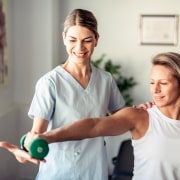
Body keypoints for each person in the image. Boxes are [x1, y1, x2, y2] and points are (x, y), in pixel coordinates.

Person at [1, 52, 179, 180]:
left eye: (163, 83)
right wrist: (44, 138)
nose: (154, 90)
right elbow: (93, 126)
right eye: (152, 82)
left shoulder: (105, 80)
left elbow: (115, 114)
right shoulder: (140, 117)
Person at [0, 8, 125, 180]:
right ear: (64, 38)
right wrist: (25, 152)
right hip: (58, 172)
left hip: (95, 171)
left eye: (87, 40)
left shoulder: (105, 80)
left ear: (96, 39)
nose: (79, 47)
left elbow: (123, 119)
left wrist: (142, 110)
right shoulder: (50, 83)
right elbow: (37, 134)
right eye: (72, 40)